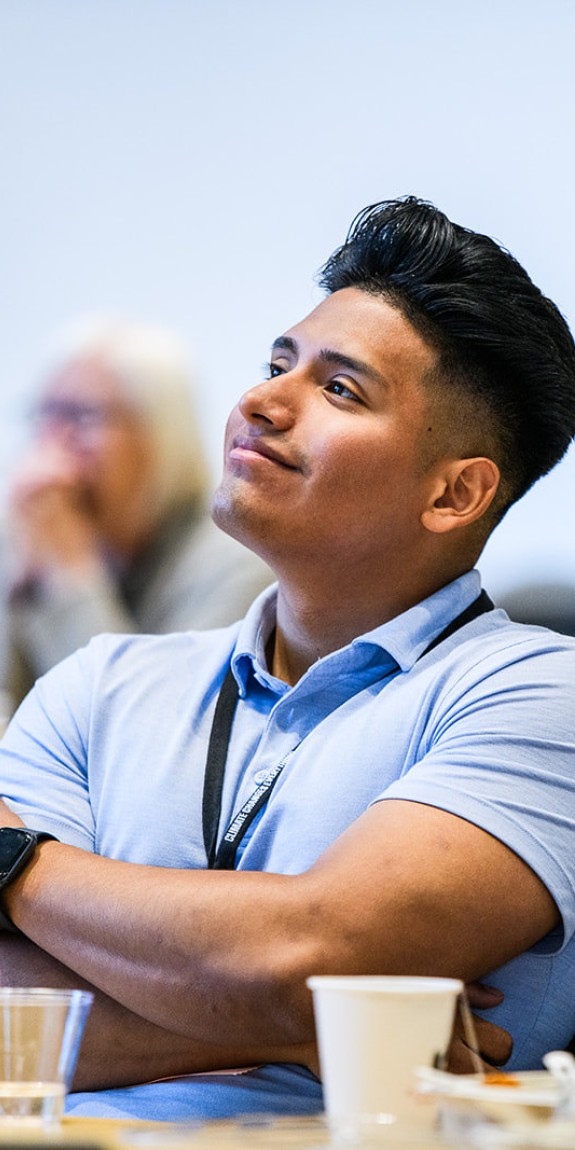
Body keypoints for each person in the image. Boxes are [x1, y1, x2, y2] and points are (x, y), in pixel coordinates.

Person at [1, 195, 575, 1123]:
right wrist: (280, 1025)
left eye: (338, 389)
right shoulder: (99, 684)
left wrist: (13, 863)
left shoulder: (537, 695)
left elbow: (312, 956)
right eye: (277, 364)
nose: (260, 402)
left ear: (453, 492)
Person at [0, 318, 273, 713]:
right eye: (45, 415)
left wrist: (70, 575)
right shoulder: (30, 533)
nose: (53, 444)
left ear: (160, 436)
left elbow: (145, 731)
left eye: (81, 417)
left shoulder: (235, 564)